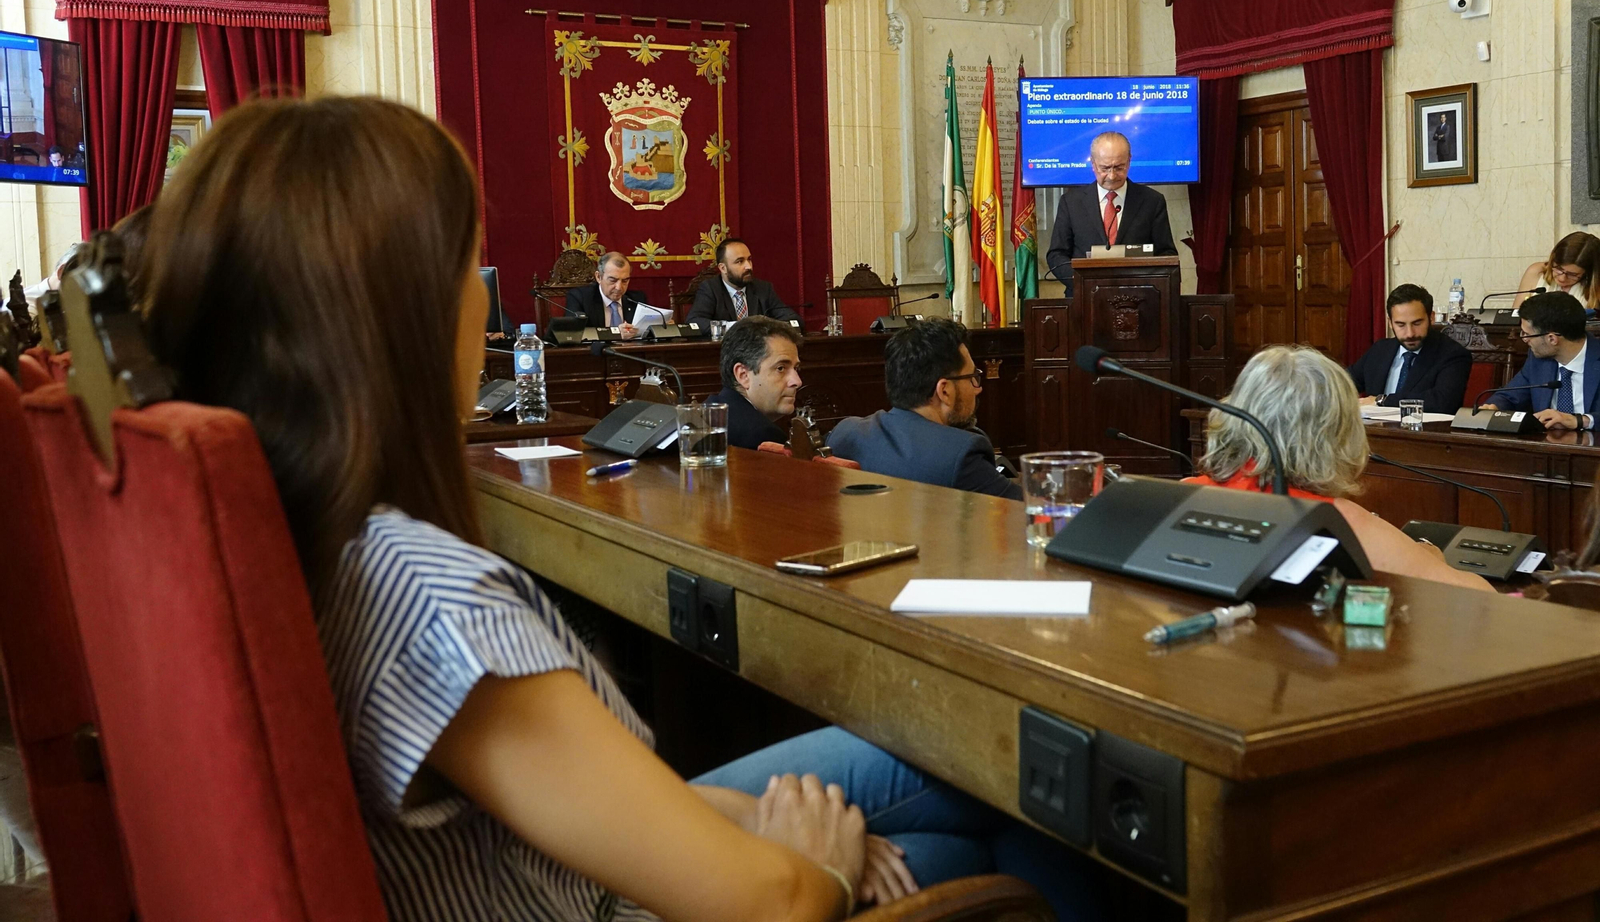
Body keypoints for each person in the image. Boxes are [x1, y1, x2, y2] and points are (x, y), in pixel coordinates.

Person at [140, 96, 1107, 922]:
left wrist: (761, 835)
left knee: (960, 792)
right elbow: (773, 903)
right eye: (469, 267)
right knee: (1014, 797)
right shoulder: (432, 599)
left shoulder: (285, 523)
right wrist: (814, 860)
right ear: (406, 313)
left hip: (567, 862)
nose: (486, 304)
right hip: (607, 902)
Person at [1189, 346, 1490, 592]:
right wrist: (1430, 560)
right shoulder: (1338, 524)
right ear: (1336, 432)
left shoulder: (1184, 494)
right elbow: (1481, 599)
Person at [828, 318, 1021, 501]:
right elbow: (1032, 511)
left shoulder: (844, 433)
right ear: (944, 390)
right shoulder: (960, 456)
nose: (977, 388)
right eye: (972, 377)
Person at [1044, 130, 1177, 294]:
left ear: (1129, 162)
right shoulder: (1071, 202)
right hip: (1084, 298)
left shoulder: (1152, 201)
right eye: (1105, 168)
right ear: (1093, 164)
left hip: (1139, 298)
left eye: (1119, 168)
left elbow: (1166, 254)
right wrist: (1083, 282)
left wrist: (1147, 282)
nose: (1112, 176)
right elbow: (1057, 255)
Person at [1483, 291, 1600, 431]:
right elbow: (1510, 396)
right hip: (1545, 447)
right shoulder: (1538, 360)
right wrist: (1495, 407)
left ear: (1552, 339)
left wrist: (1581, 420)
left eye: (1527, 334)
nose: (1524, 339)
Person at [1347, 283, 1471, 413]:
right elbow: (1344, 382)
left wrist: (1383, 400)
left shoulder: (1452, 354)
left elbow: (1443, 401)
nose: (1410, 333)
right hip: (1376, 430)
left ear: (1431, 318)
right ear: (1390, 323)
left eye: (1417, 323)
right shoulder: (1380, 350)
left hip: (1423, 431)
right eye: (1400, 325)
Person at [707, 316, 803, 449]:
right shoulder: (762, 436)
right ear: (743, 375)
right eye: (780, 368)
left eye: (796, 368)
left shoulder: (710, 409)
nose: (797, 381)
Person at [687, 238, 800, 324]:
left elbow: (793, 319)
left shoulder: (763, 288)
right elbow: (695, 321)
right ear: (723, 268)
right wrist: (733, 327)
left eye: (749, 259)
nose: (748, 266)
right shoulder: (710, 289)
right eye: (740, 261)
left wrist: (767, 328)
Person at [565, 251, 652, 339]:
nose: (619, 287)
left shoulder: (637, 299)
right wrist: (615, 334)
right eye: (613, 280)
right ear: (598, 277)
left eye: (625, 281)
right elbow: (573, 333)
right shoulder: (579, 297)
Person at [1515, 232, 1600, 310]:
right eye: (1559, 269)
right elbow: (1514, 317)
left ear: (1588, 273)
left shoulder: (1596, 285)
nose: (1562, 278)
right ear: (1553, 259)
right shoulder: (1536, 272)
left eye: (1573, 274)